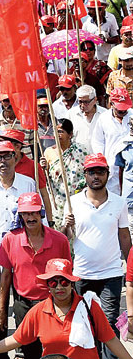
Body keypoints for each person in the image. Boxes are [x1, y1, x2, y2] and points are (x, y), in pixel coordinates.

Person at [0, 258, 133, 359]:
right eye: (53, 282)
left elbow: (111, 340)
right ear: (47, 285)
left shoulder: (89, 307)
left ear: (71, 283)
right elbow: (16, 339)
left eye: (64, 281)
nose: (59, 287)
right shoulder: (38, 312)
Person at [62, 153, 131, 358]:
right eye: (92, 172)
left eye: (100, 171)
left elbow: (125, 238)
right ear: (85, 175)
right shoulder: (72, 202)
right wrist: (66, 225)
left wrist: (131, 270)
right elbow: (65, 239)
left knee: (109, 324)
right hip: (82, 273)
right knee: (85, 322)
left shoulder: (119, 203)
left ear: (107, 174)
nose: (96, 176)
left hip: (110, 273)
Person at [0, 191, 71, 359]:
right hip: (23, 305)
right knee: (29, 350)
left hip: (52, 304)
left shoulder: (60, 240)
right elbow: (5, 276)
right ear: (20, 215)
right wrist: (1, 307)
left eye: (34, 212)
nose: (30, 217)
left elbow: (67, 276)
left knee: (53, 349)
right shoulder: (10, 239)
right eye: (26, 213)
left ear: (41, 213)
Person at [40, 118, 88, 226]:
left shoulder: (81, 150)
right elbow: (45, 179)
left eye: (61, 131)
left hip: (77, 198)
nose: (57, 135)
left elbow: (88, 172)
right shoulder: (48, 152)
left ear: (70, 134)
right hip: (57, 201)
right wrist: (43, 168)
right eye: (55, 132)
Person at [92, 87, 132, 196]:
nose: (123, 111)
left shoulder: (132, 116)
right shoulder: (103, 119)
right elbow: (97, 141)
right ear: (111, 104)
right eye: (120, 109)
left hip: (130, 167)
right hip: (111, 166)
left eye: (125, 109)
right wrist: (102, 161)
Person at [70, 84, 107, 151]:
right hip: (78, 157)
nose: (82, 105)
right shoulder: (71, 114)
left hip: (99, 157)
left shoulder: (105, 114)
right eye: (80, 102)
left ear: (95, 100)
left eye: (86, 102)